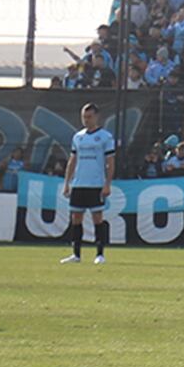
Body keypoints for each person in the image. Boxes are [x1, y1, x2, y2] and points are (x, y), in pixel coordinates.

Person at [60, 103, 115, 265]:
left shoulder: (105, 137)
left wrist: (107, 183)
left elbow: (110, 161)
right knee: (76, 218)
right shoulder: (78, 137)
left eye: (89, 116)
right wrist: (67, 183)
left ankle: (100, 254)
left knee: (97, 218)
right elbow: (72, 160)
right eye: (84, 117)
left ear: (97, 117)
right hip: (79, 184)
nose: (86, 120)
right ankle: (76, 254)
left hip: (96, 184)